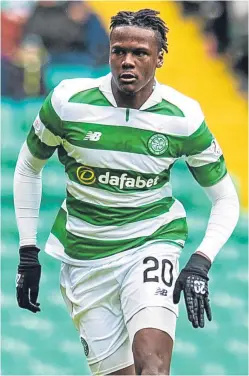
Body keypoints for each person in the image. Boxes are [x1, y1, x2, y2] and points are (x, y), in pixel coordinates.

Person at [14, 9, 240, 376]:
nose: (127, 62)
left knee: (152, 366)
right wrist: (28, 251)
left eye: (140, 53)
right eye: (119, 51)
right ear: (108, 53)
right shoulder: (69, 102)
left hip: (151, 242)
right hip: (84, 258)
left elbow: (226, 198)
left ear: (160, 57)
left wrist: (201, 261)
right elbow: (27, 167)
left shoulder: (182, 116)